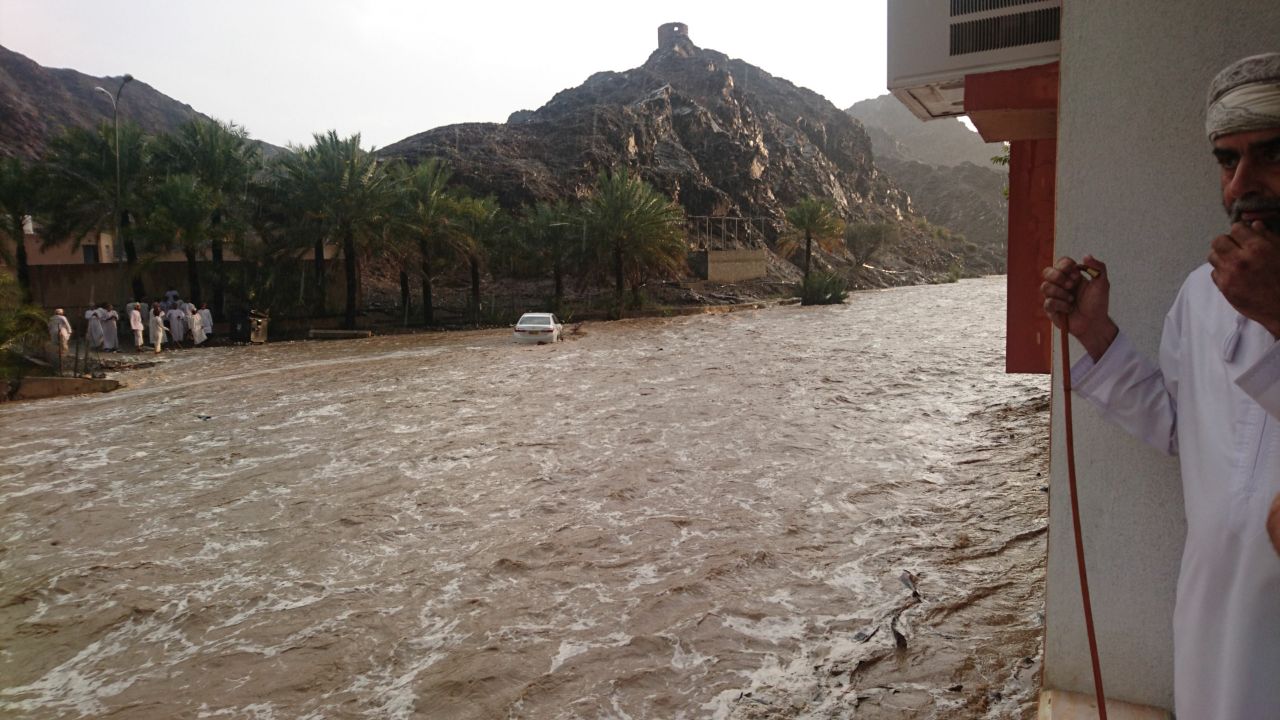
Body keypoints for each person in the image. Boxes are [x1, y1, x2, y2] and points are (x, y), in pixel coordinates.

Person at [1040, 53, 1280, 720]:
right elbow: (1183, 427)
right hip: (1209, 625)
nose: (1243, 184)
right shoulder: (1202, 295)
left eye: (1271, 154)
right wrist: (1096, 335)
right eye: (1227, 162)